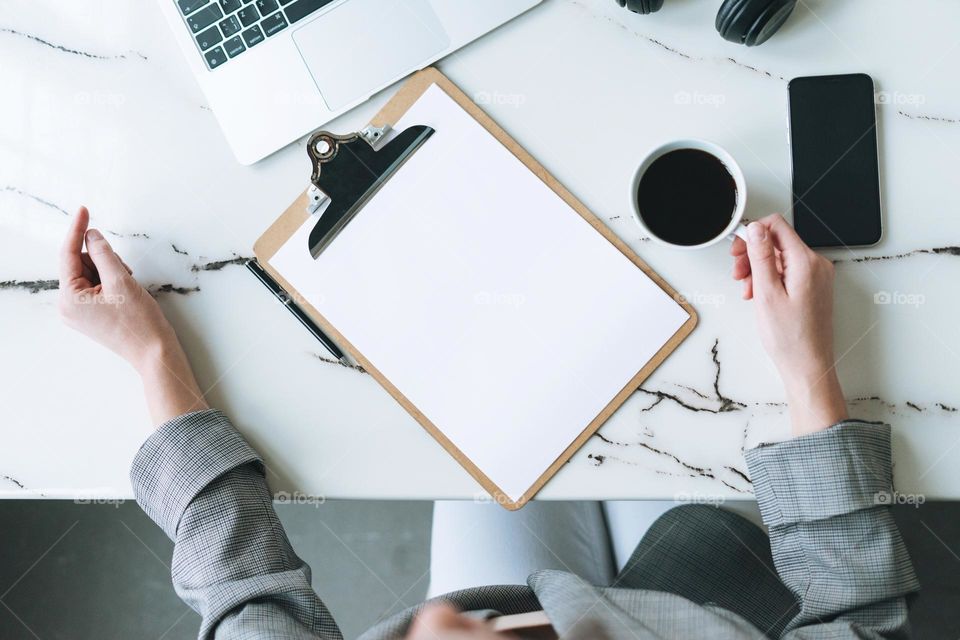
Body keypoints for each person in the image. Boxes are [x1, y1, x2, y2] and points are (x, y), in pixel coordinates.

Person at [59, 206, 918, 639]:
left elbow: (238, 582)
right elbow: (857, 613)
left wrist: (149, 358)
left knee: (498, 460)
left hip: (559, 591)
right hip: (695, 604)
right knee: (694, 518)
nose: (430, 618)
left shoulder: (449, 617)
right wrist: (809, 368)